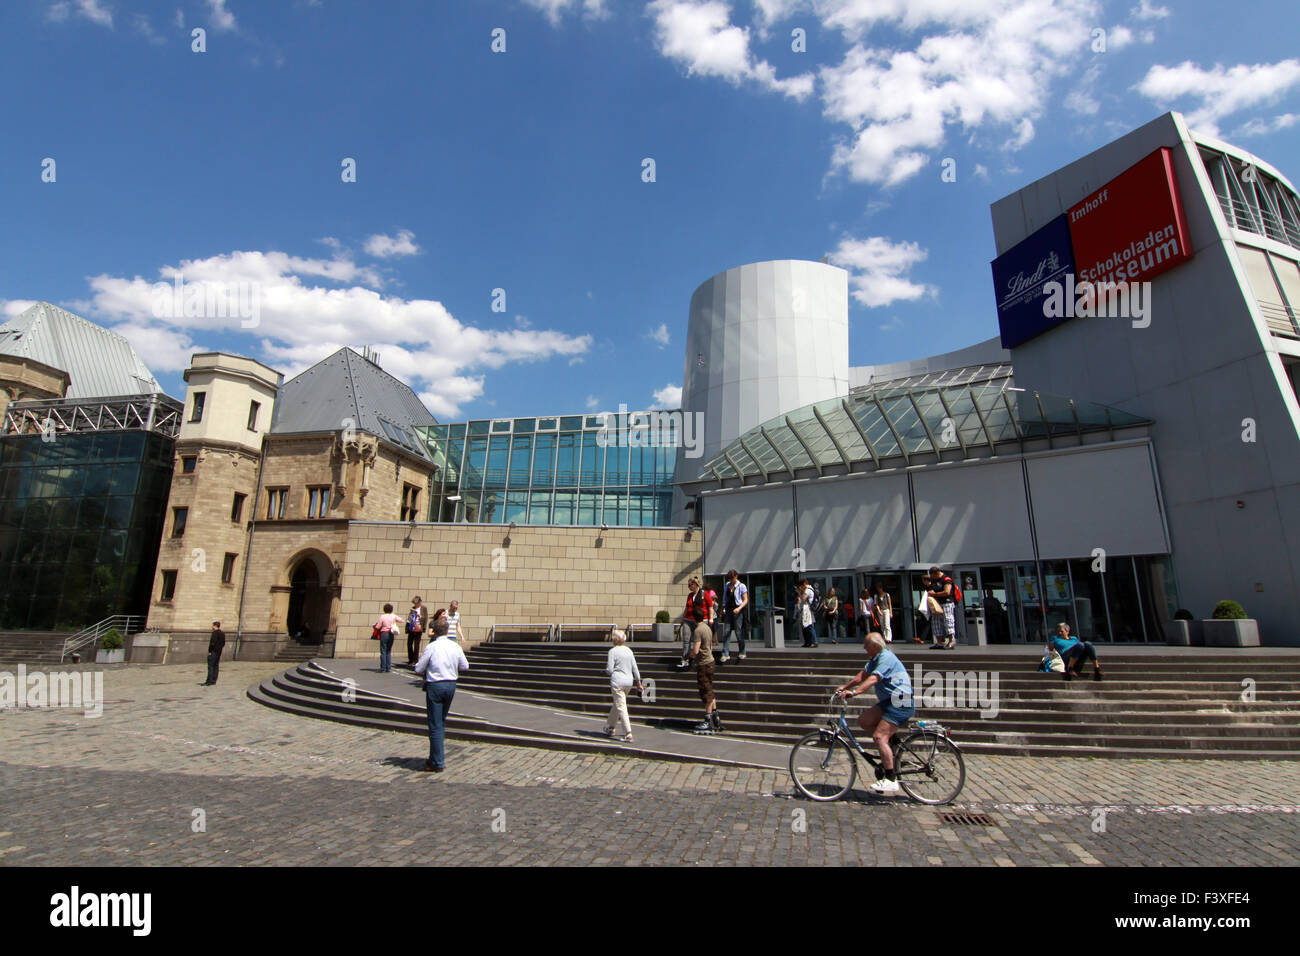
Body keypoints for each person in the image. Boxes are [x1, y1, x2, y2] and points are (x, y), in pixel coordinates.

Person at [834, 632, 915, 795]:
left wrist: (854, 693)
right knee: (864, 720)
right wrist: (844, 687)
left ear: (875, 646)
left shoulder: (886, 658)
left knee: (879, 737)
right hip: (889, 701)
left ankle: (891, 779)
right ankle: (890, 744)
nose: (864, 648)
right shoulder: (874, 659)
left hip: (901, 702)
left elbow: (873, 679)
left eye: (866, 645)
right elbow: (862, 676)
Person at [414, 617, 470, 771]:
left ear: (435, 632)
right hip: (451, 685)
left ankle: (437, 762)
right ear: (447, 631)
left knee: (435, 724)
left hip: (435, 686)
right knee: (440, 722)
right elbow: (465, 666)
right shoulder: (455, 646)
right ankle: (434, 758)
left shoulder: (432, 647)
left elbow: (418, 668)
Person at [687, 601, 722, 733]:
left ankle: (707, 720)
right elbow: (711, 646)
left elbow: (695, 650)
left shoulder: (698, 630)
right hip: (711, 661)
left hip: (703, 663)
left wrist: (689, 658)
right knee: (710, 689)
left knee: (706, 691)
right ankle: (715, 715)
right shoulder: (707, 628)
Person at [603, 629, 643, 742]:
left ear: (614, 640)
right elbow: (635, 667)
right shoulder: (629, 651)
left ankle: (628, 733)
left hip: (617, 682)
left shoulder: (612, 651)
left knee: (621, 706)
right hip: (628, 681)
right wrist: (639, 682)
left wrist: (607, 669)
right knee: (618, 703)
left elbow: (610, 670)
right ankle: (610, 727)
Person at [677, 577, 713, 669]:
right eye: (688, 585)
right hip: (688, 619)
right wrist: (683, 618)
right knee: (686, 640)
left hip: (700, 620)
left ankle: (699, 659)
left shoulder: (704, 594)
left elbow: (710, 607)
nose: (689, 587)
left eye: (690, 585)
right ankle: (685, 659)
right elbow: (686, 608)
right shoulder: (690, 595)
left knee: (699, 641)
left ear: (696, 584)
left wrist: (711, 618)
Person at [718, 569, 749, 663]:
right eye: (730, 578)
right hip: (728, 610)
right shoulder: (727, 585)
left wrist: (739, 608)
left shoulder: (741, 586)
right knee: (726, 632)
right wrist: (722, 609)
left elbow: (745, 600)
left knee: (738, 631)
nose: (731, 580)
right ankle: (725, 653)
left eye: (733, 577)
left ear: (736, 576)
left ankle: (742, 651)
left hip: (737, 611)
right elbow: (724, 598)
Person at [927, 565, 957, 650]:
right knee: (936, 621)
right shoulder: (933, 580)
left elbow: (947, 592)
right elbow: (931, 589)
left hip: (946, 602)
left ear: (936, 573)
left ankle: (951, 640)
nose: (932, 578)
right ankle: (939, 642)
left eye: (933, 575)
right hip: (937, 603)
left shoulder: (946, 579)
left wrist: (935, 594)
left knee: (948, 619)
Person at [375, 602, 400, 672]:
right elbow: (401, 620)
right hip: (391, 633)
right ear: (391, 610)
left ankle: (383, 667)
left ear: (384, 609)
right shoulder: (393, 616)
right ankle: (388, 667)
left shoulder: (382, 616)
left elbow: (378, 626)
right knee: (388, 651)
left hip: (384, 633)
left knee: (383, 650)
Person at [405, 596, 429, 666]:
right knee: (409, 643)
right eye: (414, 603)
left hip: (419, 627)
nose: (415, 605)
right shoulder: (413, 608)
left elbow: (425, 618)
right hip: (412, 627)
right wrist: (407, 626)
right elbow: (409, 618)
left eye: (416, 603)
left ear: (419, 602)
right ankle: (410, 659)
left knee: (416, 644)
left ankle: (415, 660)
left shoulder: (423, 608)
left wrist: (420, 616)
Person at [202, 621, 225, 686]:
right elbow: (223, 643)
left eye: (212, 625)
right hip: (219, 652)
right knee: (216, 666)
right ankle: (214, 680)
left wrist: (210, 651)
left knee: (211, 666)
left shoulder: (215, 633)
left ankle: (208, 681)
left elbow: (212, 643)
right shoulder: (222, 633)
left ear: (215, 626)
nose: (212, 627)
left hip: (213, 652)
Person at [797, 580, 819, 647]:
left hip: (808, 610)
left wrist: (799, 592)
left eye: (801, 586)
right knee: (805, 627)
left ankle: (814, 642)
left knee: (809, 626)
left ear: (804, 584)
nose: (801, 588)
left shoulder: (808, 590)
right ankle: (808, 642)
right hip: (807, 610)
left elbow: (803, 599)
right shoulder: (810, 589)